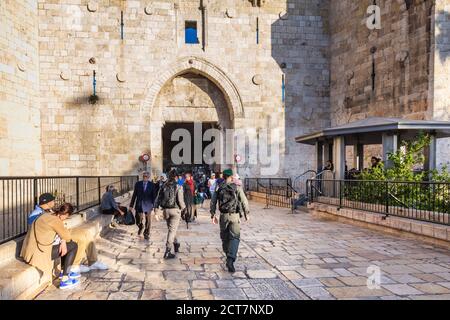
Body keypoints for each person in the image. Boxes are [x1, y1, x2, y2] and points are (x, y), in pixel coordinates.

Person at [21, 200, 80, 290]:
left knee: (66, 244)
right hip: (39, 252)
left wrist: (63, 241)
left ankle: (64, 272)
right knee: (73, 245)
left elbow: (62, 235)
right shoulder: (56, 220)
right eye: (67, 217)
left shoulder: (47, 215)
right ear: (66, 215)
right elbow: (67, 236)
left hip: (29, 251)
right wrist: (64, 241)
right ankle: (65, 279)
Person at [210, 169, 249, 273]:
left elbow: (213, 201)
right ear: (231, 177)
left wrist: (213, 214)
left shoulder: (219, 187)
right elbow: (244, 201)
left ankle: (228, 254)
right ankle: (230, 259)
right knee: (235, 238)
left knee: (225, 238)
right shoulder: (237, 187)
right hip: (234, 216)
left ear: (223, 177)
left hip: (223, 216)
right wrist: (246, 214)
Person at [154, 169, 186, 259]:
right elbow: (180, 200)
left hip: (166, 211)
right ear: (176, 177)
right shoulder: (178, 185)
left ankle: (176, 243)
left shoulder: (163, 185)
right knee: (172, 231)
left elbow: (158, 199)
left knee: (172, 229)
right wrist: (184, 209)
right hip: (175, 211)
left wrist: (156, 210)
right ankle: (167, 251)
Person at [129, 171, 157, 240]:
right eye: (144, 176)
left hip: (148, 205)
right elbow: (134, 195)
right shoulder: (138, 184)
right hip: (139, 205)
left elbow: (154, 196)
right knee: (138, 219)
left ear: (148, 177)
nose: (145, 178)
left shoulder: (152, 185)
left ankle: (146, 233)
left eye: (146, 177)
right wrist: (131, 205)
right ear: (142, 177)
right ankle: (141, 226)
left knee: (148, 220)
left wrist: (155, 207)